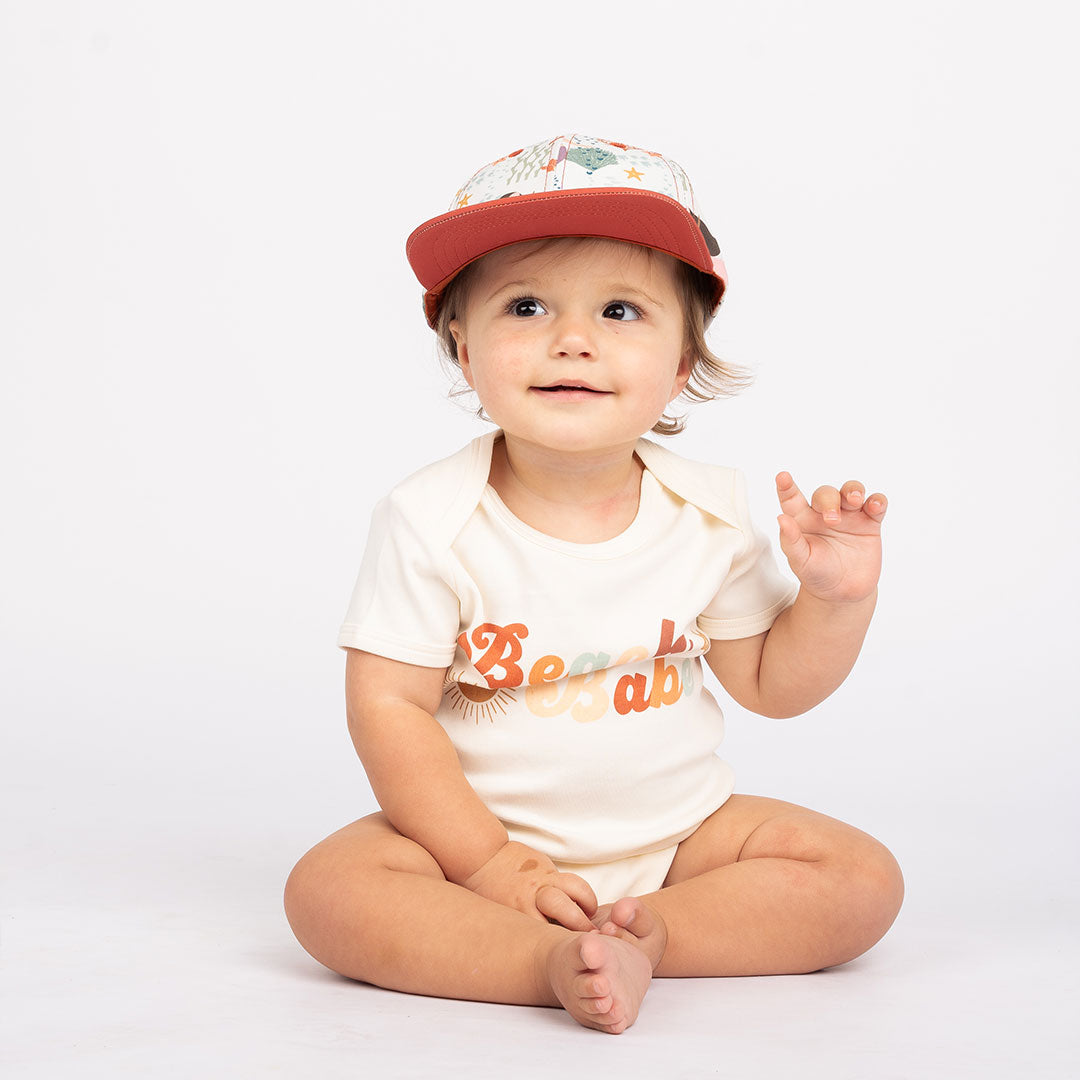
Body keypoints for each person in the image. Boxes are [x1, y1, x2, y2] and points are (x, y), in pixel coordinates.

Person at [284, 134, 904, 1035]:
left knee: (861, 879)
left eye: (621, 311)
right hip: (473, 847)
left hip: (680, 838)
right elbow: (389, 708)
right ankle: (535, 959)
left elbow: (773, 685)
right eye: (526, 306)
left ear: (683, 361)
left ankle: (652, 935)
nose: (573, 340)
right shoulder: (432, 518)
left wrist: (837, 600)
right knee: (328, 893)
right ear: (463, 349)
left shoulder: (710, 510)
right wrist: (492, 866)